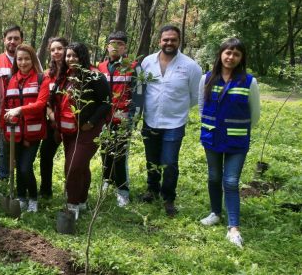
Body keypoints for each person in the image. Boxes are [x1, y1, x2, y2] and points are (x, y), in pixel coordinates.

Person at [198, 38, 260, 248]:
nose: (231, 57)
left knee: (231, 181)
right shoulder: (206, 78)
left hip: (236, 139)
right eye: (228, 52)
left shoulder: (249, 82)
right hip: (212, 136)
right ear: (220, 54)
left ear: (241, 58)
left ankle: (234, 228)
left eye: (236, 54)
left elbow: (255, 114)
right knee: (214, 177)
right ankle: (215, 212)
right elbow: (201, 106)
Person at [140, 25, 202, 217]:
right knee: (152, 159)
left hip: (174, 122)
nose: (169, 43)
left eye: (173, 40)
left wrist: (176, 108)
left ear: (179, 41)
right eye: (165, 39)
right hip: (150, 119)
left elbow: (195, 96)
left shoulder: (191, 66)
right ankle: (152, 189)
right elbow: (142, 89)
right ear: (159, 41)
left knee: (169, 162)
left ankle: (168, 198)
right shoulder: (147, 62)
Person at [51, 42, 111, 219]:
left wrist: (91, 122)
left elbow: (106, 103)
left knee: (72, 167)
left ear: (83, 57)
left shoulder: (94, 76)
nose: (70, 59)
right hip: (68, 131)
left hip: (88, 131)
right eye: (68, 56)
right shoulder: (65, 76)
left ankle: (72, 205)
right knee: (81, 167)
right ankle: (82, 200)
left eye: (74, 56)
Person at [1, 44, 51, 213]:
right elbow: (5, 107)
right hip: (14, 133)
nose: (23, 62)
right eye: (20, 59)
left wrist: (21, 110)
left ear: (33, 59)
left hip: (33, 133)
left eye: (27, 59)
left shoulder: (42, 79)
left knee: (25, 167)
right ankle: (21, 197)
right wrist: (3, 129)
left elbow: (41, 104)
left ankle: (33, 199)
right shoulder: (9, 80)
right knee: (16, 166)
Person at [98, 31, 143, 207]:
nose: (115, 47)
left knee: (120, 156)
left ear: (125, 47)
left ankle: (123, 190)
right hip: (103, 121)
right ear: (107, 46)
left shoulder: (133, 67)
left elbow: (138, 96)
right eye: (112, 43)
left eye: (119, 43)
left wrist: (131, 120)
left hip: (123, 121)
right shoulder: (100, 67)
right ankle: (106, 182)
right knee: (105, 153)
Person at [0, 25, 24, 181]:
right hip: (3, 114)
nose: (12, 41)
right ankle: (4, 179)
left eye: (16, 38)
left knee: (23, 147)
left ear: (21, 40)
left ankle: (21, 180)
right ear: (4, 40)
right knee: (4, 149)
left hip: (25, 112)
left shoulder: (29, 57)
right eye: (9, 38)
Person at [38, 37, 68, 199]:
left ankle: (72, 193)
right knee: (45, 155)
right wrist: (52, 117)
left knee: (72, 158)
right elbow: (44, 100)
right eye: (53, 49)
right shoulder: (46, 75)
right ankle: (45, 190)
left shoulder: (73, 73)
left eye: (60, 49)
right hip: (52, 123)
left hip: (72, 122)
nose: (56, 52)